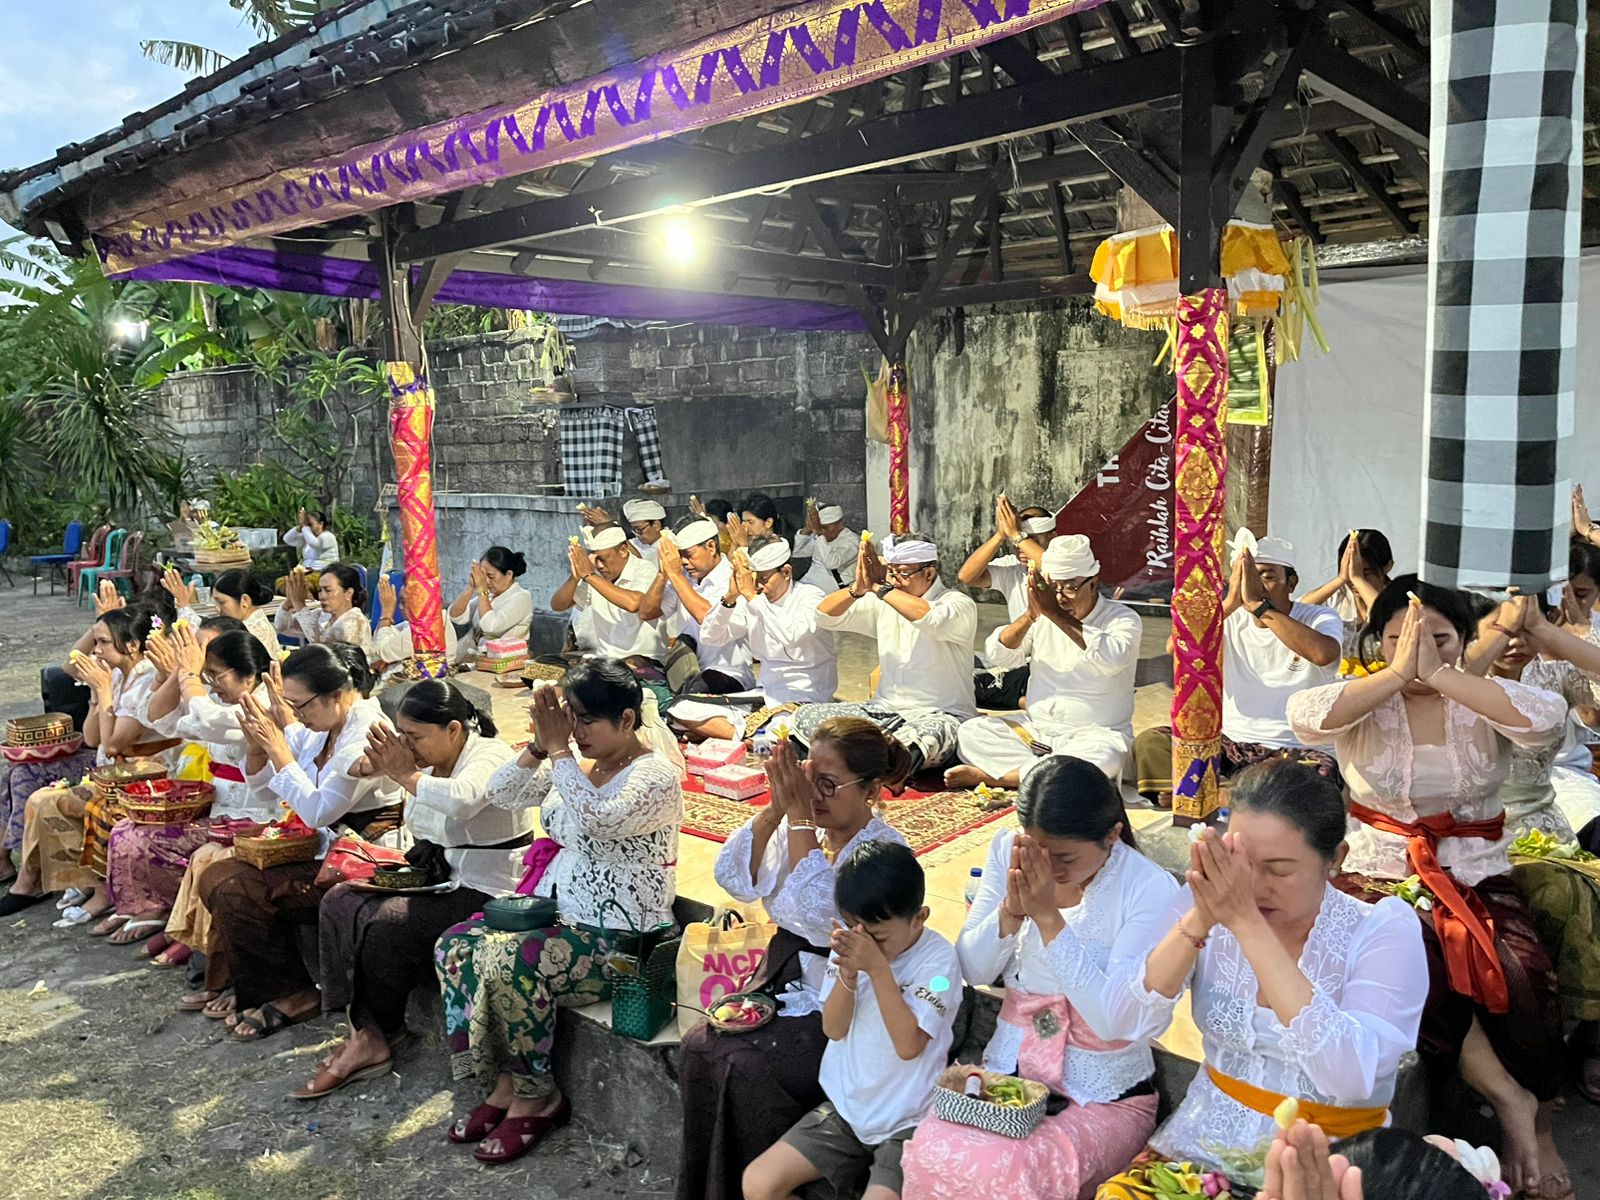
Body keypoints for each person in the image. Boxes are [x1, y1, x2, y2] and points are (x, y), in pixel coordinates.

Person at [1286, 579, 1570, 1198]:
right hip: (1376, 875)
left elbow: (1545, 724)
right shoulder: (1365, 698)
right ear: (1378, 643)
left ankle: (1541, 1123)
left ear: (1467, 640)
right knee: (1412, 958)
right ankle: (1506, 1098)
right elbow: (1304, 719)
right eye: (1399, 638)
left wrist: (1443, 674)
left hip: (1475, 873)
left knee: (1524, 971)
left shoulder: (1484, 696)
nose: (1417, 648)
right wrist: (1396, 674)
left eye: (1437, 636)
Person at [1094, 761, 1426, 1197]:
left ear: (1335, 860)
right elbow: (1119, 1023)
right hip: (1202, 1141)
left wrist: (1247, 925)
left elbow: (1350, 1077)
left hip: (1324, 1164)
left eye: (1279, 869)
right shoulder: (1205, 905)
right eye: (1242, 863)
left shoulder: (1383, 929)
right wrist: (1201, 917)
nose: (1253, 886)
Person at [435, 660, 682, 1164]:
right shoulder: (574, 759)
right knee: (455, 944)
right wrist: (537, 746)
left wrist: (560, 751)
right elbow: (502, 794)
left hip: (621, 936)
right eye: (570, 718)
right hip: (560, 916)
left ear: (629, 720)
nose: (576, 731)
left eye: (586, 720)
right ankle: (502, 1082)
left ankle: (536, 1094)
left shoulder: (656, 774)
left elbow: (596, 821)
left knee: (512, 962)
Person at [901, 756, 1178, 1200]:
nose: (1048, 868)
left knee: (1012, 1174)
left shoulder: (1149, 888)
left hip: (1104, 1095)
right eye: (1038, 850)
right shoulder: (1007, 849)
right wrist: (1010, 913)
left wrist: (1049, 918)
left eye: (1065, 857)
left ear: (1112, 835)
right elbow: (972, 971)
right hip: (1009, 1075)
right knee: (933, 1149)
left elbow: (1114, 1022)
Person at [676, 719, 910, 1200]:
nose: (815, 797)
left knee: (749, 1065)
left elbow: (821, 910)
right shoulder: (801, 826)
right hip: (782, 973)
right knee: (701, 1044)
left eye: (829, 785)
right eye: (810, 781)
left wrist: (799, 816)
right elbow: (732, 877)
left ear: (869, 789)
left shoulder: (884, 851)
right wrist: (777, 808)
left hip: (846, 999)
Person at [294, 680, 521, 1100]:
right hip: (440, 879)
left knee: (387, 923)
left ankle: (381, 1034)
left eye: (414, 736)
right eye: (401, 735)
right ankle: (362, 1030)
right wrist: (375, 763)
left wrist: (402, 771)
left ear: (453, 729)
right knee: (341, 900)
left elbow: (462, 801)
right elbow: (354, 769)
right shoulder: (423, 759)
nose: (406, 745)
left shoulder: (490, 755)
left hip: (488, 889)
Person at [200, 643, 402, 1041]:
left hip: (367, 859)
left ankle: (292, 993)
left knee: (240, 889)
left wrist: (277, 746)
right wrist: (260, 746)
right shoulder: (324, 726)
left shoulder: (367, 734)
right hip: (325, 851)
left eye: (302, 705)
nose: (297, 714)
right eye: (291, 704)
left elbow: (317, 810)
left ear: (337, 695)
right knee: (217, 874)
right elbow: (264, 789)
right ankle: (281, 985)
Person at [742, 841, 961, 1200]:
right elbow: (834, 1028)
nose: (865, 944)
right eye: (855, 930)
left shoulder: (939, 964)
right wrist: (847, 974)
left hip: (907, 1122)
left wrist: (876, 969)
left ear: (919, 917)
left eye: (878, 937)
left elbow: (909, 1046)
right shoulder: (852, 947)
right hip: (846, 1110)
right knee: (758, 1182)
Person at [1468, 593, 1600, 1102]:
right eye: (1502, 629)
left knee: (1581, 893)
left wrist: (1553, 635)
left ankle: (1589, 1035)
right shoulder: (1458, 678)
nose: (1516, 642)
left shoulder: (1552, 675)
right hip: (1474, 828)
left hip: (1544, 823)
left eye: (1526, 631)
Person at [97, 625, 277, 947]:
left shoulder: (263, 704)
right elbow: (161, 719)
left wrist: (189, 678)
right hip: (222, 809)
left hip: (259, 815)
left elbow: (209, 721)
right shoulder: (220, 698)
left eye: (216, 676)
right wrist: (178, 672)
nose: (212, 686)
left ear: (248, 677)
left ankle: (181, 924)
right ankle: (161, 911)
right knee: (128, 828)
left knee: (163, 842)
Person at [1133, 537, 1341, 805]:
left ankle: (1210, 792)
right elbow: (1177, 650)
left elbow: (1322, 654)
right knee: (1152, 743)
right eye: (1247, 578)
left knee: (1316, 774)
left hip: (1292, 750)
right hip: (1231, 745)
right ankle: (1233, 793)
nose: (1255, 586)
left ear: (1292, 582)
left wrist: (1259, 606)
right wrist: (1230, 601)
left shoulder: (1317, 618)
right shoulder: (1228, 618)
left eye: (1266, 577)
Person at [2, 604, 167, 923]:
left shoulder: (146, 680)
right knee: (38, 794)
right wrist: (96, 692)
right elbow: (92, 738)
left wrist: (103, 690)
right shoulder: (118, 673)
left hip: (142, 776)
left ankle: (89, 889)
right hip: (109, 770)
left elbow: (114, 743)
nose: (97, 649)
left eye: (103, 642)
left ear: (131, 645)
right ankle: (74, 882)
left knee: (46, 799)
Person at [949, 535, 1141, 789]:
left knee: (1103, 758)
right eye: (1054, 587)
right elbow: (1000, 655)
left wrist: (1056, 615)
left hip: (1094, 736)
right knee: (971, 732)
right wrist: (1030, 615)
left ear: (1093, 584)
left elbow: (1112, 658)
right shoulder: (1043, 614)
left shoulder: (1122, 619)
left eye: (1070, 587)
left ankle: (1002, 778)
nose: (1060, 598)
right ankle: (1052, 774)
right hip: (1036, 732)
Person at [798, 533, 978, 778]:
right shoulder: (883, 601)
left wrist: (880, 587)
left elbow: (929, 617)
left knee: (925, 739)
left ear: (929, 573)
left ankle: (862, 763)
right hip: (883, 712)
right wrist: (856, 589)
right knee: (807, 717)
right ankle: (874, 763)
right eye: (891, 572)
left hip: (939, 714)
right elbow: (824, 616)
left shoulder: (958, 604)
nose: (895, 580)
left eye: (902, 572)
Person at [669, 535, 838, 744]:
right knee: (681, 708)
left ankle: (747, 736)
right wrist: (729, 598)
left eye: (764, 579)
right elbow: (711, 636)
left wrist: (752, 598)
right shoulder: (753, 601)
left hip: (809, 698)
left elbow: (791, 635)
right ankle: (753, 738)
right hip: (766, 696)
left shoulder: (810, 597)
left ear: (786, 572)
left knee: (789, 728)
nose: (757, 586)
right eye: (753, 579)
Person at [958, 495, 1058, 709]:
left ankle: (1023, 697)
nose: (1022, 547)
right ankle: (1023, 695)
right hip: (1021, 658)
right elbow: (967, 577)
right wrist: (1000, 535)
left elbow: (1056, 568)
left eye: (1031, 539)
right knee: (960, 678)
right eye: (1018, 541)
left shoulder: (1069, 565)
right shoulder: (1012, 567)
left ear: (1052, 537)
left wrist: (1017, 534)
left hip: (1057, 660)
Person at [647, 517, 757, 693]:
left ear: (711, 547)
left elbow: (707, 618)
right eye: (679, 555)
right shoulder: (683, 577)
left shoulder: (735, 578)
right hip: (685, 672)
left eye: (688, 555)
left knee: (699, 688)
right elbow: (647, 613)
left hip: (728, 674)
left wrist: (675, 575)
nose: (682, 562)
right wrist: (663, 574)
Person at [551, 525, 666, 661]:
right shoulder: (595, 575)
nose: (599, 565)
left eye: (603, 558)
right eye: (595, 559)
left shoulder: (645, 569)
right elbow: (558, 605)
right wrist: (575, 577)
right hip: (605, 659)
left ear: (623, 550)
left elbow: (634, 603)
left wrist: (589, 575)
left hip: (644, 661)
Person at [1298, 529, 1394, 670]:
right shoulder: (1335, 596)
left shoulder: (1400, 597)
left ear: (1388, 566)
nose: (1354, 582)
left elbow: (1393, 621)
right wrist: (1341, 579)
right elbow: (1296, 613)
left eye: (1365, 572)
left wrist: (1358, 578)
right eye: (1350, 571)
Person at [166, 566, 282, 660]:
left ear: (245, 601)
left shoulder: (250, 630)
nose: (217, 609)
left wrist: (184, 605)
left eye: (221, 602)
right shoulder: (253, 621)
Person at [445, 545, 532, 664]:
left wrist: (482, 590)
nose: (486, 582)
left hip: (503, 664)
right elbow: (455, 616)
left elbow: (490, 627)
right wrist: (471, 587)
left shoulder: (521, 597)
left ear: (509, 575)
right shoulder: (489, 595)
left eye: (491, 576)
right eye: (483, 576)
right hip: (477, 660)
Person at [276, 562, 371, 655]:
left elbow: (326, 652)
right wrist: (288, 602)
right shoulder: (322, 615)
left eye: (328, 590)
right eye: (320, 590)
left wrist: (299, 605)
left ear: (348, 593)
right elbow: (281, 626)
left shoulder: (355, 620)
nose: (322, 596)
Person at [794, 500, 859, 596]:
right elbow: (797, 553)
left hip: (830, 590)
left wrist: (819, 534)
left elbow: (832, 563)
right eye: (821, 527)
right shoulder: (821, 538)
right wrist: (806, 530)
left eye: (826, 527)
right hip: (807, 584)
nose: (823, 531)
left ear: (840, 524)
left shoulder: (852, 541)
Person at [284, 507, 339, 572]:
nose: (308, 527)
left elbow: (314, 544)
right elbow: (287, 539)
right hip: (306, 571)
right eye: (307, 524)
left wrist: (304, 526)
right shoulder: (308, 536)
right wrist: (299, 527)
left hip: (326, 572)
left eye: (310, 524)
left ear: (321, 524)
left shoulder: (328, 536)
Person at [624, 498, 668, 564]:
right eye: (634, 530)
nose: (637, 534)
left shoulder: (669, 542)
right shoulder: (636, 542)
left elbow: (644, 564)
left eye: (639, 529)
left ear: (656, 525)